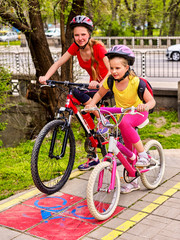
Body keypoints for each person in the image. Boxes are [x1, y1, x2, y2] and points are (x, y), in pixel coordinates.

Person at [39, 15, 111, 171]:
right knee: (86, 120)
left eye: (83, 34)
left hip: (106, 85)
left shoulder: (97, 47)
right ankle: (93, 156)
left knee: (79, 96)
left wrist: (99, 83)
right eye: (77, 35)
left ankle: (103, 121)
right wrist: (46, 77)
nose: (80, 38)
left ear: (89, 34)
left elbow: (111, 71)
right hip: (93, 87)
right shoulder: (75, 47)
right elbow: (58, 63)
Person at [84, 44, 156, 193]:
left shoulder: (136, 82)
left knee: (125, 124)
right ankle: (133, 179)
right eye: (111, 68)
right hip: (122, 115)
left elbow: (152, 102)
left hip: (138, 113)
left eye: (117, 68)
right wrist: (91, 104)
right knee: (128, 150)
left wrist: (145, 106)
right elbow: (99, 94)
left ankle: (143, 154)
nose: (114, 71)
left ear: (127, 67)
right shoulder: (111, 80)